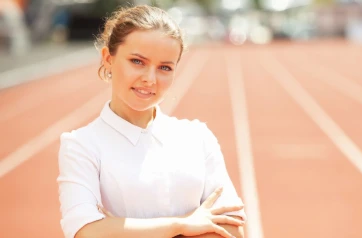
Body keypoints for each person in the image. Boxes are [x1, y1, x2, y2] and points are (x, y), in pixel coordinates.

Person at [56, 4, 246, 238]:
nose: (150, 79)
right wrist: (182, 225)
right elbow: (86, 231)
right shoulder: (80, 146)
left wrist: (118, 228)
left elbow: (232, 228)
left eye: (165, 67)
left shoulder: (198, 137)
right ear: (108, 58)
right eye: (137, 62)